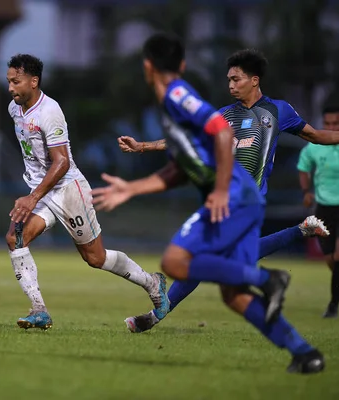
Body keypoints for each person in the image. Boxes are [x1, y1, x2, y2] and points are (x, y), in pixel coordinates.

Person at [92, 33, 324, 373]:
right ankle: (304, 353)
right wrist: (133, 188)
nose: (230, 84)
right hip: (239, 198)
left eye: (235, 78)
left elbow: (220, 130)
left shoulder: (176, 95)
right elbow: (180, 168)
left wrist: (219, 192)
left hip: (234, 198)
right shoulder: (173, 108)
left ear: (147, 67)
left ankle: (267, 280)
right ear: (182, 64)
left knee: (174, 262)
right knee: (234, 295)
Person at [4, 54, 168, 330]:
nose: (10, 88)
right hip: (43, 193)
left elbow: (62, 161)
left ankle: (152, 282)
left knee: (95, 258)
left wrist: (32, 196)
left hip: (69, 190)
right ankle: (39, 309)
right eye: (9, 81)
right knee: (15, 238)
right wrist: (35, 193)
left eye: (16, 81)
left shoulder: (49, 112)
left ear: (34, 81)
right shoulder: (14, 109)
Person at [298, 105, 339, 318]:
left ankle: (333, 304)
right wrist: (306, 191)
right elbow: (303, 167)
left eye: (336, 124)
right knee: (331, 260)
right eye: (328, 124)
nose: (332, 127)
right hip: (324, 207)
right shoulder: (316, 145)